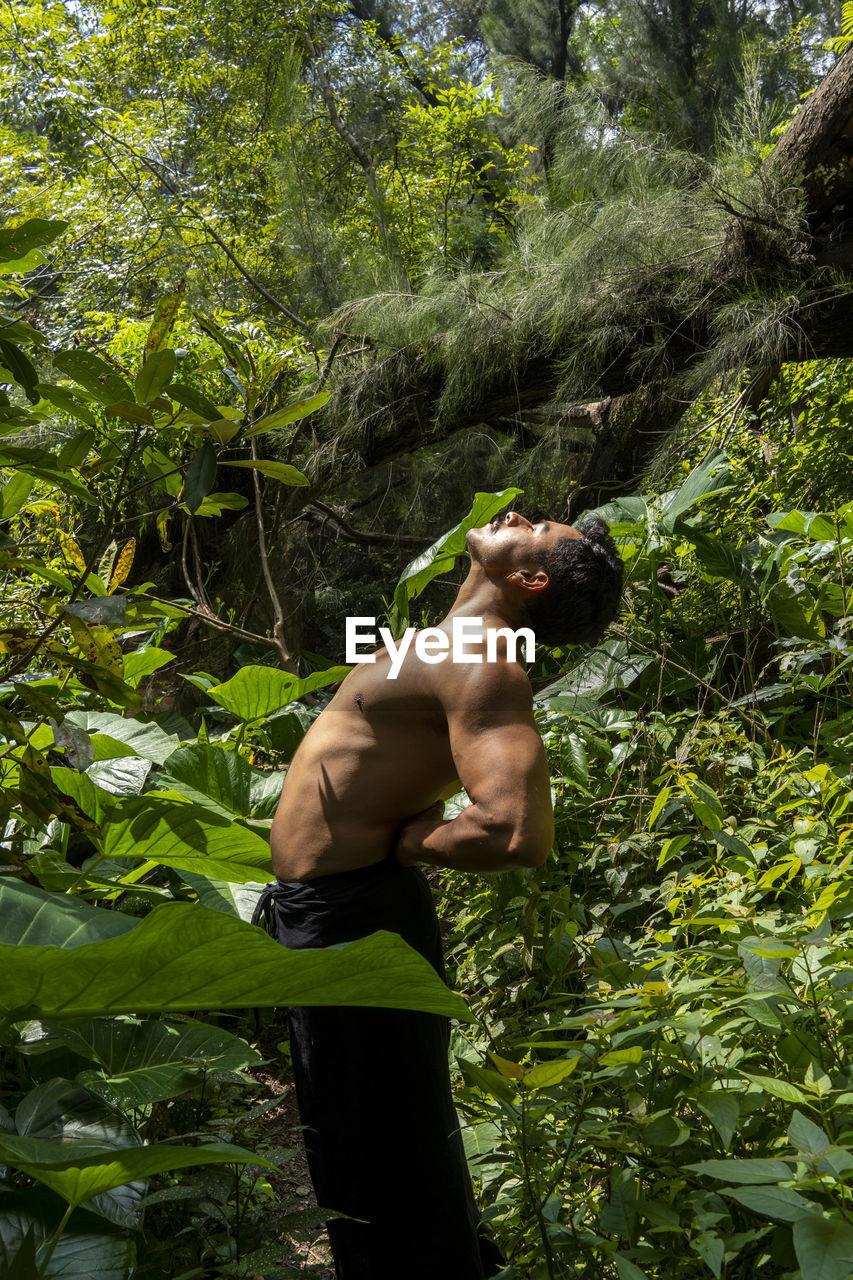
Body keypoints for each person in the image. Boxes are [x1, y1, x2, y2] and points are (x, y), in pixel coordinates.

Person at [255, 509, 623, 1279]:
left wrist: (414, 842)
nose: (520, 512)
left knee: (380, 1143)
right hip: (331, 913)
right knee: (361, 1133)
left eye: (541, 527)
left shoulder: (485, 661)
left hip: (356, 920)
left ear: (530, 578)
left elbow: (515, 830)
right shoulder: (445, 644)